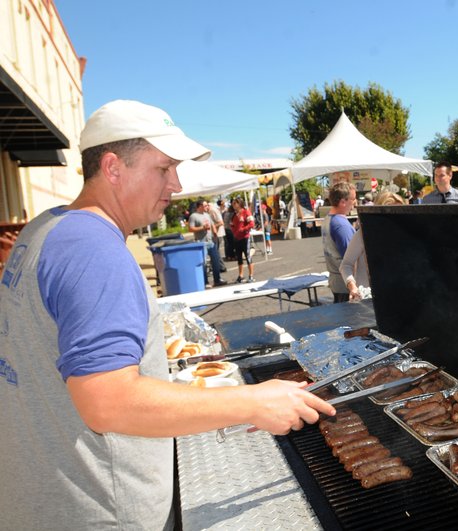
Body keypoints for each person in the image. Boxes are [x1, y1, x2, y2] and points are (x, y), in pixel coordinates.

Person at [0, 100, 336, 529]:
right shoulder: (94, 250)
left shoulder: (45, 228)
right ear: (113, 167)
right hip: (98, 511)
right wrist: (250, 401)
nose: (176, 184)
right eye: (163, 169)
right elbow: (107, 401)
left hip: (40, 500)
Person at [340, 191, 406, 301]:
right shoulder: (364, 234)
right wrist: (352, 287)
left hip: (398, 296)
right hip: (368, 298)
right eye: (391, 212)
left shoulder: (403, 235)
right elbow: (346, 264)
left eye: (400, 212)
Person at [322, 181, 357, 302]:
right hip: (346, 286)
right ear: (343, 202)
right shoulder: (341, 225)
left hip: (336, 281)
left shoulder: (328, 218)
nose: (354, 203)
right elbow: (351, 260)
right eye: (353, 199)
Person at [188, 200, 227, 287]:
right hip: (201, 243)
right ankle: (205, 282)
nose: (207, 207)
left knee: (216, 260)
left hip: (210, 241)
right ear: (200, 206)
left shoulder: (207, 215)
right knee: (204, 263)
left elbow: (212, 223)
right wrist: (202, 228)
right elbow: (190, 229)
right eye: (205, 205)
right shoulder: (193, 216)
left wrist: (215, 231)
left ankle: (217, 280)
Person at [231, 196, 256, 282]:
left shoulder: (246, 212)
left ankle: (251, 275)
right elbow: (232, 225)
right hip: (237, 238)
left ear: (240, 203)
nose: (233, 205)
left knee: (248, 256)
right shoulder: (234, 214)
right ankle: (240, 276)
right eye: (233, 203)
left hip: (245, 238)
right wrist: (234, 232)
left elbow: (252, 224)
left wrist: (243, 229)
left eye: (235, 203)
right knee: (239, 257)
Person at [206, 198, 227, 272]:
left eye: (206, 206)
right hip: (217, 234)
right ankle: (218, 267)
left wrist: (212, 227)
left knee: (215, 251)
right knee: (215, 251)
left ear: (208, 205)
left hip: (217, 234)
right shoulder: (212, 210)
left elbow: (221, 222)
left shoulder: (212, 211)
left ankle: (221, 267)